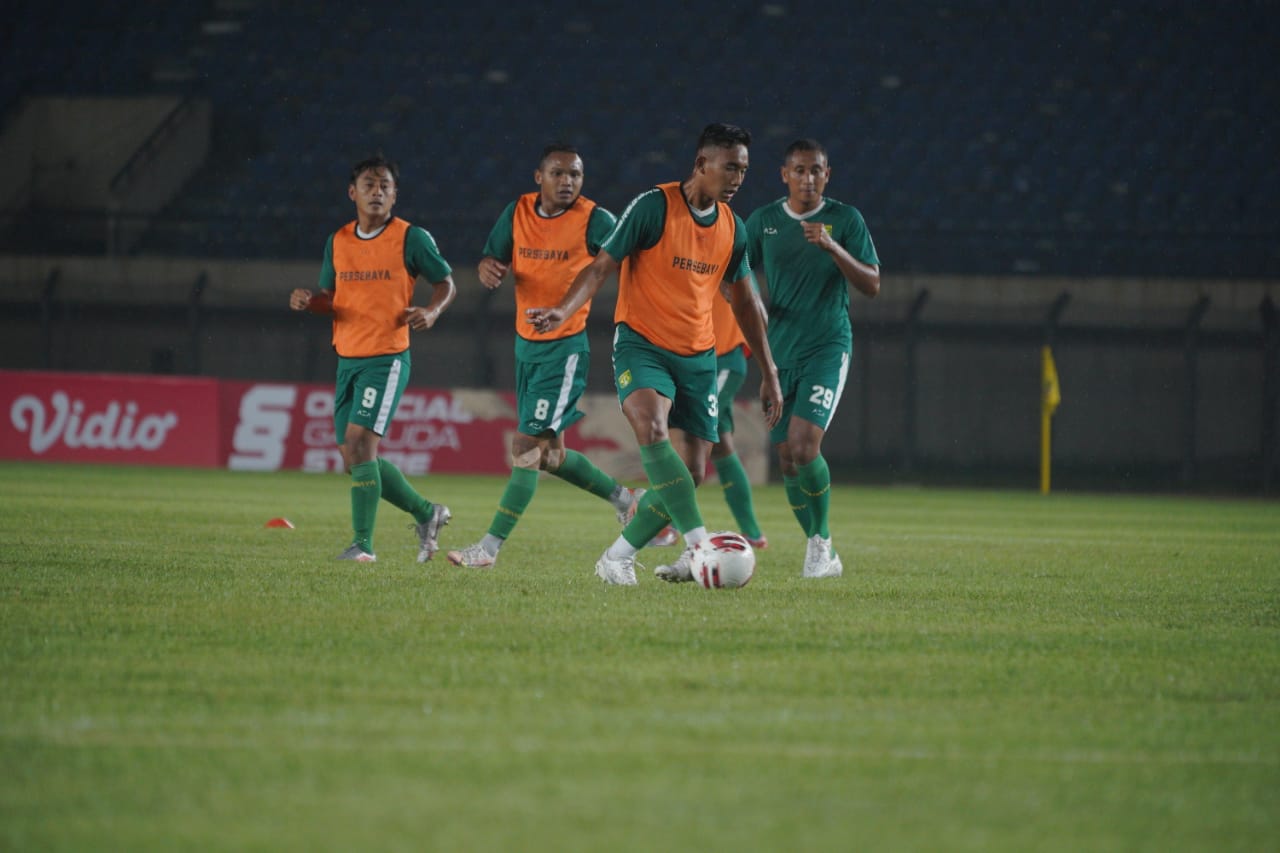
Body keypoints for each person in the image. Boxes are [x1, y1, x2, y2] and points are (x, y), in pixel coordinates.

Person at [527, 122, 783, 586]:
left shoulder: (733, 228)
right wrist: (565, 309)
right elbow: (602, 263)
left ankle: (617, 556)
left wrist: (769, 371)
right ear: (701, 164)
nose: (738, 178)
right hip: (642, 344)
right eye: (730, 168)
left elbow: (745, 303)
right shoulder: (653, 206)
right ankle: (698, 545)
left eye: (744, 169)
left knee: (691, 473)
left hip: (699, 356)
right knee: (652, 426)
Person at [445, 143, 642, 569]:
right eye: (558, 173)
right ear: (539, 177)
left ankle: (489, 548)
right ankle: (627, 500)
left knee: (525, 446)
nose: (567, 181)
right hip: (525, 346)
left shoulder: (596, 220)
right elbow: (491, 258)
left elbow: (623, 263)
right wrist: (487, 268)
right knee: (551, 456)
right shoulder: (517, 212)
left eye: (575, 174)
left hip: (564, 350)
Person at [289, 153, 457, 564]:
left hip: (386, 356)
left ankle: (362, 545)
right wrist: (310, 302)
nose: (377, 191)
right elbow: (331, 298)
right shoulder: (338, 241)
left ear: (395, 195)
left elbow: (446, 282)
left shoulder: (411, 238)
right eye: (369, 184)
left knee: (362, 444)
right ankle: (425, 512)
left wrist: (432, 311)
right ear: (353, 193)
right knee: (353, 458)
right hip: (347, 357)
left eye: (385, 185)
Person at [744, 138, 881, 578]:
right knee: (786, 458)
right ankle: (820, 550)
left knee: (804, 446)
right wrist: (764, 361)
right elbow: (737, 281)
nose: (808, 178)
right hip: (780, 352)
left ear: (828, 174)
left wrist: (833, 248)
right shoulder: (764, 221)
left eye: (816, 170)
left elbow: (873, 284)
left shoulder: (845, 220)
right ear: (784, 175)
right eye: (799, 170)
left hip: (827, 346)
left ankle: (821, 545)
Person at [651, 289, 770, 554]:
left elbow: (755, 307)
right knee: (721, 446)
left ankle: (665, 523)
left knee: (691, 436)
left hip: (723, 358)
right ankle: (752, 533)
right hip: (697, 361)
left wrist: (768, 367)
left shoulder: (727, 251)